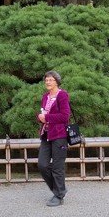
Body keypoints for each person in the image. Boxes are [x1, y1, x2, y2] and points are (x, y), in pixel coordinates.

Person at [36, 70, 70, 207]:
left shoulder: (62, 95)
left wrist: (47, 118)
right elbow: (43, 113)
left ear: (57, 81)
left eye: (51, 80)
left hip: (59, 135)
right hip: (46, 135)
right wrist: (40, 118)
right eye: (46, 80)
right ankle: (59, 190)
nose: (48, 82)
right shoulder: (45, 97)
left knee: (57, 166)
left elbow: (65, 116)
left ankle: (59, 195)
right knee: (42, 164)